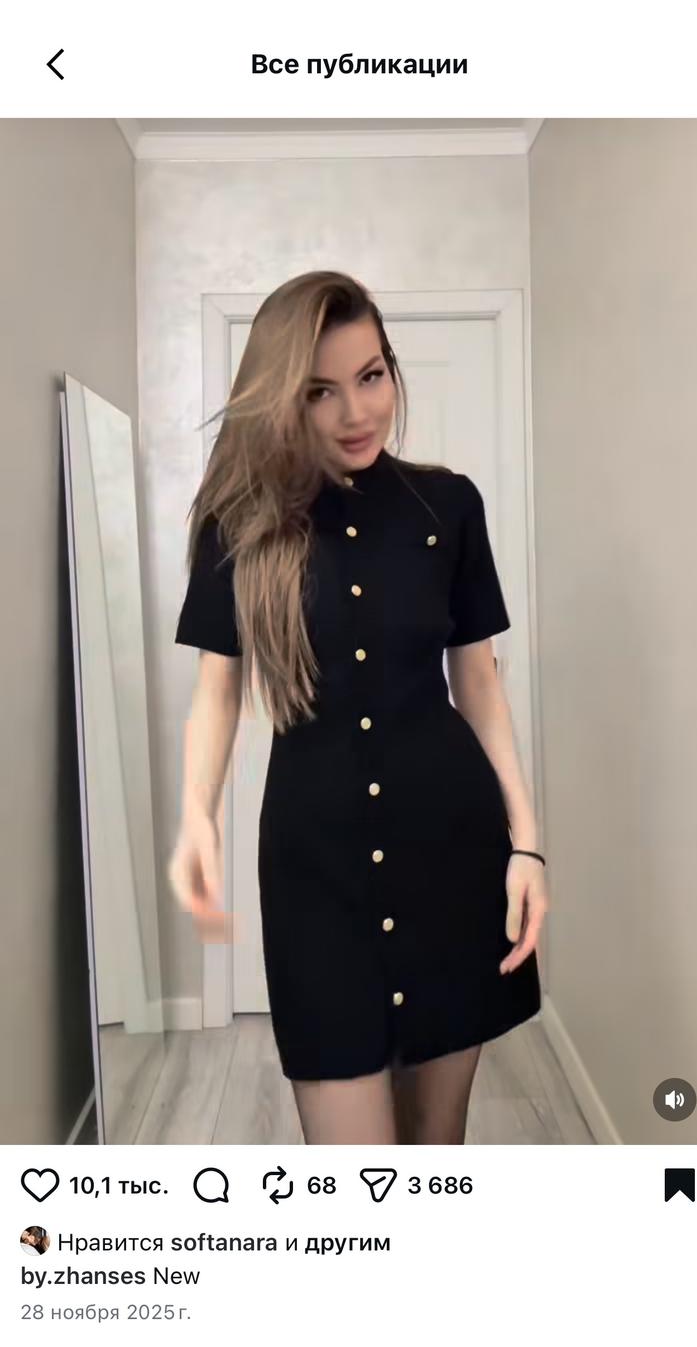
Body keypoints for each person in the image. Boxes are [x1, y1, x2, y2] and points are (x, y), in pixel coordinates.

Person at [170, 270, 548, 1145]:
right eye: (320, 390)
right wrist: (196, 820)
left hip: (451, 852)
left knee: (434, 1156)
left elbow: (478, 683)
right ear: (280, 399)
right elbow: (218, 688)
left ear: (391, 368)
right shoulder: (240, 525)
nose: (355, 411)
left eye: (371, 376)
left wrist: (526, 841)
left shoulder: (447, 506)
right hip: (315, 874)